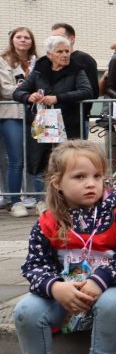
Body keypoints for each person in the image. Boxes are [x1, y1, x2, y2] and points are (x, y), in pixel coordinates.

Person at [0, 141, 116, 354]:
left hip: (113, 292)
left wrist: (99, 281)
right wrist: (55, 288)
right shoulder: (47, 221)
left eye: (97, 176)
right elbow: (34, 265)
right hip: (67, 296)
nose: (91, 183)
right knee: (26, 310)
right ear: (57, 182)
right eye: (79, 177)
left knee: (112, 301)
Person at [14, 36, 93, 192]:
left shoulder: (76, 69)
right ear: (50, 54)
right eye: (60, 52)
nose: (65, 55)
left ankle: (66, 197)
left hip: (68, 122)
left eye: (67, 51)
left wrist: (58, 98)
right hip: (44, 121)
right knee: (41, 161)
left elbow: (87, 91)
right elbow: (18, 92)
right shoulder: (39, 70)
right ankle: (41, 200)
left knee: (66, 161)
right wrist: (29, 97)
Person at [0, 27, 37, 217]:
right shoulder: (3, 60)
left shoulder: (38, 61)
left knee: (39, 157)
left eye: (27, 37)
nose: (23, 40)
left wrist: (24, 89)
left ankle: (41, 199)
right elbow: (5, 89)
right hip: (11, 114)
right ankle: (15, 201)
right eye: (19, 37)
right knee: (16, 160)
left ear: (32, 41)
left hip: (36, 114)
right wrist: (28, 91)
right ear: (12, 40)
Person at [50, 23, 99, 104]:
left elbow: (92, 92)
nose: (54, 41)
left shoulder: (85, 59)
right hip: (52, 112)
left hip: (76, 113)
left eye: (59, 38)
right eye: (52, 38)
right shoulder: (49, 60)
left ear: (71, 39)